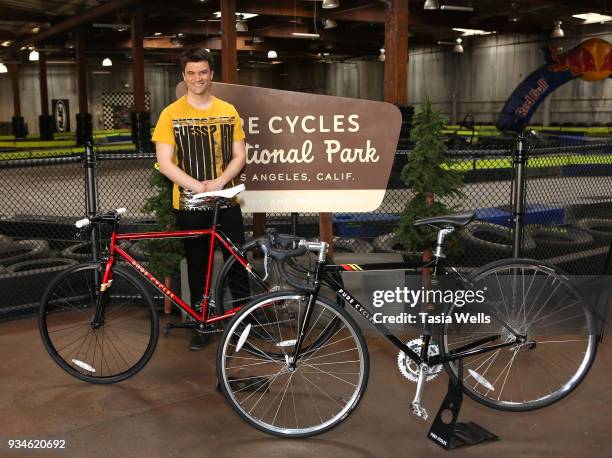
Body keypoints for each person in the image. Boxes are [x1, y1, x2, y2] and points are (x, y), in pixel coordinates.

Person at [152, 47, 247, 351]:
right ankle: (202, 324)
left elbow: (240, 155)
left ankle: (244, 324)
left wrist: (219, 182)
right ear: (184, 76)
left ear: (211, 74)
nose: (198, 78)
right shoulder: (171, 114)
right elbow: (165, 162)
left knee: (237, 261)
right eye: (191, 73)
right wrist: (198, 186)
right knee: (197, 266)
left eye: (203, 72)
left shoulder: (228, 110)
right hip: (190, 205)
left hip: (226, 202)